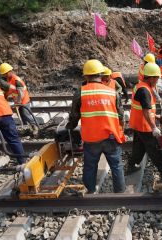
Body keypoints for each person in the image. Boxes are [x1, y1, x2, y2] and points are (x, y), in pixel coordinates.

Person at [66, 59, 126, 193]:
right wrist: (121, 130)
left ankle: (90, 191)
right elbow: (121, 115)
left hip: (91, 139)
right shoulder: (112, 92)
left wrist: (70, 127)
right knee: (116, 166)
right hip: (111, 136)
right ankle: (120, 193)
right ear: (101, 74)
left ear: (86, 76)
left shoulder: (81, 92)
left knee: (90, 166)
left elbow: (74, 115)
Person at [127, 63, 162, 179]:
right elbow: (145, 111)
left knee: (139, 147)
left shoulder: (140, 86)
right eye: (157, 78)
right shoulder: (144, 91)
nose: (157, 81)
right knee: (155, 149)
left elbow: (145, 109)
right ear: (151, 77)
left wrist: (155, 115)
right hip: (144, 126)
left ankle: (131, 166)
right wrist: (154, 127)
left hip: (138, 123)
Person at [0, 63, 39, 136]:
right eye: (3, 74)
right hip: (18, 101)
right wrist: (5, 98)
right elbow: (9, 90)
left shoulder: (16, 80)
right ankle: (28, 129)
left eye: (5, 73)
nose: (4, 75)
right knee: (21, 115)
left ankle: (35, 128)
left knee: (26, 114)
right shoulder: (8, 79)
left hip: (23, 100)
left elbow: (21, 93)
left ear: (10, 71)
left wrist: (19, 102)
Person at [0, 76, 26, 164]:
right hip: (5, 113)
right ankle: (22, 162)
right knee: (14, 139)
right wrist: (5, 96)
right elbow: (13, 88)